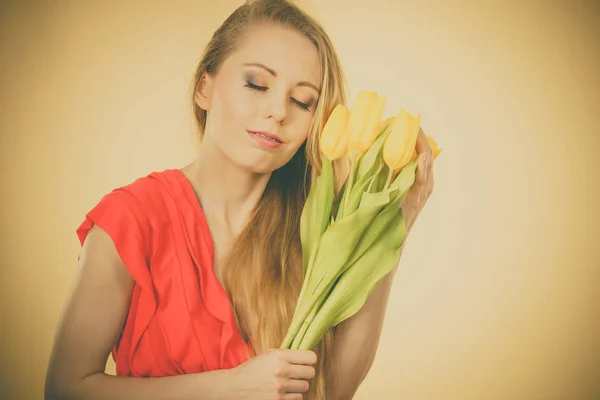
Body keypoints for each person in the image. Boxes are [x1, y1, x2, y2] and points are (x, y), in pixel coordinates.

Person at [44, 0, 435, 399]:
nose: (278, 112)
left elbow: (331, 392)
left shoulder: (312, 230)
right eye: (257, 84)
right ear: (204, 88)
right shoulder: (132, 219)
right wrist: (230, 387)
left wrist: (390, 228)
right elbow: (64, 389)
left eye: (302, 101)